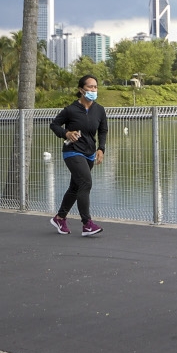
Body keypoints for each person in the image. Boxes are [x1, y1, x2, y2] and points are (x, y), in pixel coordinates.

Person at [49, 75, 107, 237]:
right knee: (86, 183)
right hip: (72, 151)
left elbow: (103, 130)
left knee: (76, 187)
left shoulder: (99, 110)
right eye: (90, 87)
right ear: (81, 90)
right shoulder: (71, 110)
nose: (93, 90)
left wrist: (101, 149)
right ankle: (87, 224)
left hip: (89, 153)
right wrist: (66, 133)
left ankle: (60, 218)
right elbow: (54, 125)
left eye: (95, 87)